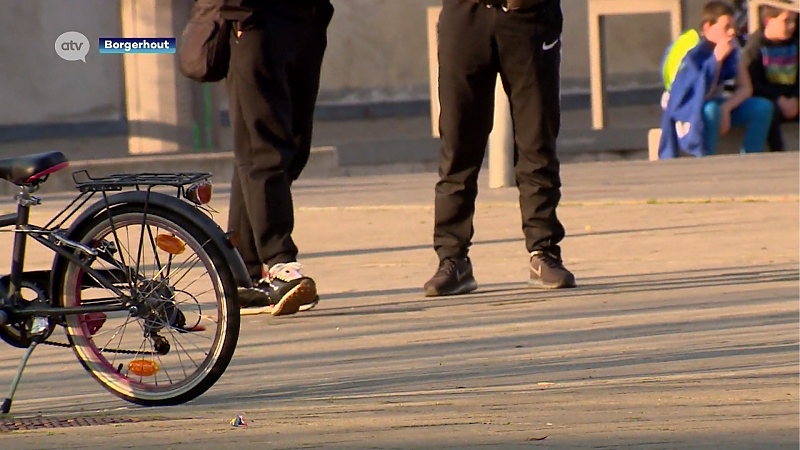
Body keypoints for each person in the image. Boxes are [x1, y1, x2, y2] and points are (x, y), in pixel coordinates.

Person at [423, 0, 576, 297]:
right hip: (466, 16)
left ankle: (544, 251)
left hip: (530, 15)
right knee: (458, 142)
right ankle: (452, 258)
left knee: (537, 140)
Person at [221, 0, 334, 316]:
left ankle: (242, 272)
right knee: (264, 150)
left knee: (291, 148)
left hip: (306, 20)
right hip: (258, 19)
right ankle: (280, 262)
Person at [658, 1, 774, 159]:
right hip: (693, 107)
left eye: (734, 27)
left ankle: (750, 157)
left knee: (763, 107)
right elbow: (702, 94)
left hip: (720, 104)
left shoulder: (733, 48)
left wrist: (726, 108)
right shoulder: (694, 52)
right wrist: (716, 61)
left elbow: (746, 88)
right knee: (711, 110)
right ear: (707, 28)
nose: (732, 32)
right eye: (726, 27)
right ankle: (707, 159)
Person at [742, 5, 799, 152]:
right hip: (772, 99)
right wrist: (779, 99)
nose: (791, 26)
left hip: (793, 100)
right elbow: (754, 83)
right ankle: (778, 152)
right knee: (768, 110)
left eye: (794, 21)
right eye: (786, 21)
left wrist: (795, 98)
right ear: (768, 21)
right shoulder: (755, 46)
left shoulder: (795, 43)